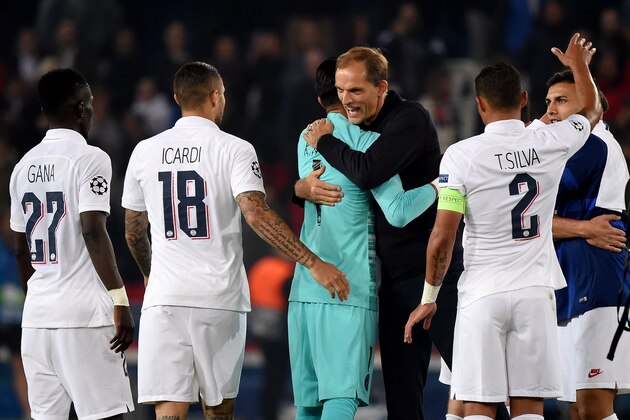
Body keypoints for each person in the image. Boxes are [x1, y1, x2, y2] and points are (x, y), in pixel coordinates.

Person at [121, 61, 348, 420]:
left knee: (168, 410)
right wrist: (313, 262)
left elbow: (134, 230)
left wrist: (149, 273)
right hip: (218, 298)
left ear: (178, 98)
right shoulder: (234, 148)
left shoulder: (144, 151)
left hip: (164, 300)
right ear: (215, 96)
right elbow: (256, 214)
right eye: (223, 94)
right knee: (219, 409)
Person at [404, 33, 602, 419]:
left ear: (479, 105)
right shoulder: (551, 141)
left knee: (477, 404)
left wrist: (429, 296)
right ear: (525, 100)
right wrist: (579, 65)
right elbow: (591, 110)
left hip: (483, 294)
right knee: (529, 406)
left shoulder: (460, 157)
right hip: (535, 292)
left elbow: (442, 237)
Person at [300, 46, 462, 420]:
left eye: (356, 91)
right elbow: (333, 187)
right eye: (341, 90)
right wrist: (300, 189)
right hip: (393, 280)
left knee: (474, 385)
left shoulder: (408, 119)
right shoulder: (356, 130)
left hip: (437, 274)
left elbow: (369, 171)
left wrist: (324, 141)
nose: (346, 100)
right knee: (403, 403)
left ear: (381, 88)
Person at [9, 68, 135, 419]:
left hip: (36, 322)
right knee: (106, 415)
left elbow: (21, 250)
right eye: (90, 103)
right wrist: (120, 301)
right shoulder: (91, 158)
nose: (93, 110)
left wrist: (37, 297)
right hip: (84, 318)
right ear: (80, 109)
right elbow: (93, 230)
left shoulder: (22, 167)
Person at [543, 70, 630, 420]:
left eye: (561, 101)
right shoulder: (572, 148)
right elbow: (532, 222)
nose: (550, 110)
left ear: (589, 110)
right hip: (570, 283)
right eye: (548, 102)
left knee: (593, 404)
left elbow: (530, 212)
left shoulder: (595, 142)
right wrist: (580, 228)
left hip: (598, 285)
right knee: (577, 408)